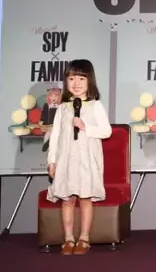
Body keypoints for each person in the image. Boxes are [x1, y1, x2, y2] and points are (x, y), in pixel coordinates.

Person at [46, 59, 112, 255]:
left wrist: (85, 127)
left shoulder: (95, 106)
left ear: (90, 81)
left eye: (81, 78)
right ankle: (68, 238)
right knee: (67, 199)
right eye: (71, 78)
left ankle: (84, 238)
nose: (76, 83)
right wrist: (52, 160)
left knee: (85, 198)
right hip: (66, 160)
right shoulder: (63, 108)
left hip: (86, 160)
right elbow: (55, 136)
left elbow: (106, 131)